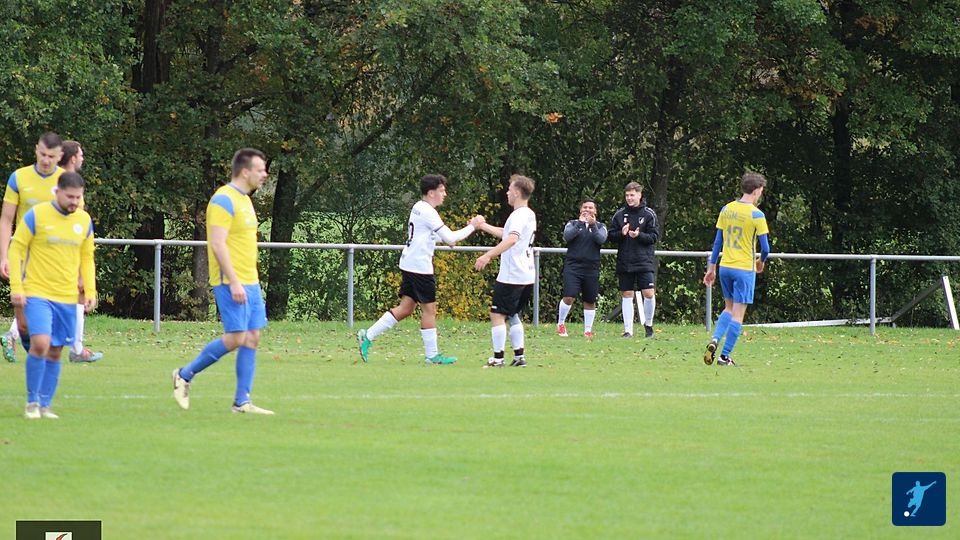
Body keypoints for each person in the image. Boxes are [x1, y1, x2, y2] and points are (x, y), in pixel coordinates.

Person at [171, 148, 274, 414]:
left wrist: (249, 279)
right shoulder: (223, 200)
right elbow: (217, 244)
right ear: (245, 171)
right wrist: (234, 281)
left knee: (252, 336)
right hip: (231, 280)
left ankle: (242, 401)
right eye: (260, 170)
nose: (264, 174)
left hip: (250, 280)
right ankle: (184, 374)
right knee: (236, 337)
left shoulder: (245, 200)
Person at [357, 174, 482, 364]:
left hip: (409, 263)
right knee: (429, 310)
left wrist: (448, 237)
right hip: (419, 268)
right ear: (431, 193)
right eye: (442, 191)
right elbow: (450, 238)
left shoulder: (419, 207)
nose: (445, 194)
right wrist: (473, 226)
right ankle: (432, 355)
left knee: (406, 308)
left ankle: (367, 335)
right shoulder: (428, 212)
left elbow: (429, 236)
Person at [10, 172, 97, 419]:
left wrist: (90, 290)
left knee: (56, 350)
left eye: (78, 197)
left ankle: (45, 405)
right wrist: (17, 287)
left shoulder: (84, 220)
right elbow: (16, 249)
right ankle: (31, 403)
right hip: (37, 292)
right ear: (57, 192)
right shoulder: (36, 215)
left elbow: (87, 257)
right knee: (40, 343)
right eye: (70, 197)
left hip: (67, 296)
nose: (74, 202)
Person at [1, 132, 65, 363]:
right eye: (42, 154)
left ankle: (39, 353)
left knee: (46, 315)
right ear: (36, 150)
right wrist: (3, 256)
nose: (46, 160)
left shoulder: (66, 180)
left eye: (51, 156)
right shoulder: (19, 178)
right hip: (24, 255)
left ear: (60, 156)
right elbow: (6, 219)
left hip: (55, 258)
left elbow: (78, 221)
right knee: (23, 318)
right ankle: (29, 344)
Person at [702, 172, 771, 366]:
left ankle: (715, 339)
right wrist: (761, 261)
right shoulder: (757, 215)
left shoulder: (726, 209)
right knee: (738, 314)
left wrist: (711, 268)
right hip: (744, 269)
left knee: (728, 308)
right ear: (756, 191)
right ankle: (724, 356)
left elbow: (718, 242)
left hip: (725, 266)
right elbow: (766, 248)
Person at [474, 174, 537, 368]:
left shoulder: (518, 215)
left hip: (513, 274)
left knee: (497, 314)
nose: (507, 193)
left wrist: (488, 255)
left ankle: (498, 358)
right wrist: (482, 226)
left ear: (517, 192)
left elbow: (511, 239)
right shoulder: (528, 214)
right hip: (527, 273)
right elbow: (507, 233)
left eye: (509, 190)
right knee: (512, 314)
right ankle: (519, 357)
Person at [58, 141, 104, 363]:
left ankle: (76, 347)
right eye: (81, 155)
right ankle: (76, 348)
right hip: (64, 252)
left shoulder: (63, 182)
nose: (83, 158)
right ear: (73, 158)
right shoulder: (63, 185)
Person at [608, 182, 659, 338]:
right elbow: (611, 236)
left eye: (632, 195)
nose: (629, 198)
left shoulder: (649, 214)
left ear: (639, 195)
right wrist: (621, 234)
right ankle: (628, 330)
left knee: (649, 293)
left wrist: (639, 236)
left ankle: (648, 326)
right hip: (625, 260)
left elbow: (654, 237)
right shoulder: (619, 215)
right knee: (627, 293)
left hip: (644, 260)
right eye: (627, 195)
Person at [556, 199, 607, 338]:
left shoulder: (601, 226)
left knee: (590, 300)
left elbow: (601, 239)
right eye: (585, 207)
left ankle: (588, 330)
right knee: (569, 295)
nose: (587, 210)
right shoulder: (572, 224)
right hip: (573, 266)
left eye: (591, 208)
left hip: (591, 267)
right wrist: (580, 223)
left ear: (595, 211)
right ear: (580, 209)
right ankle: (561, 323)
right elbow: (567, 236)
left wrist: (593, 225)